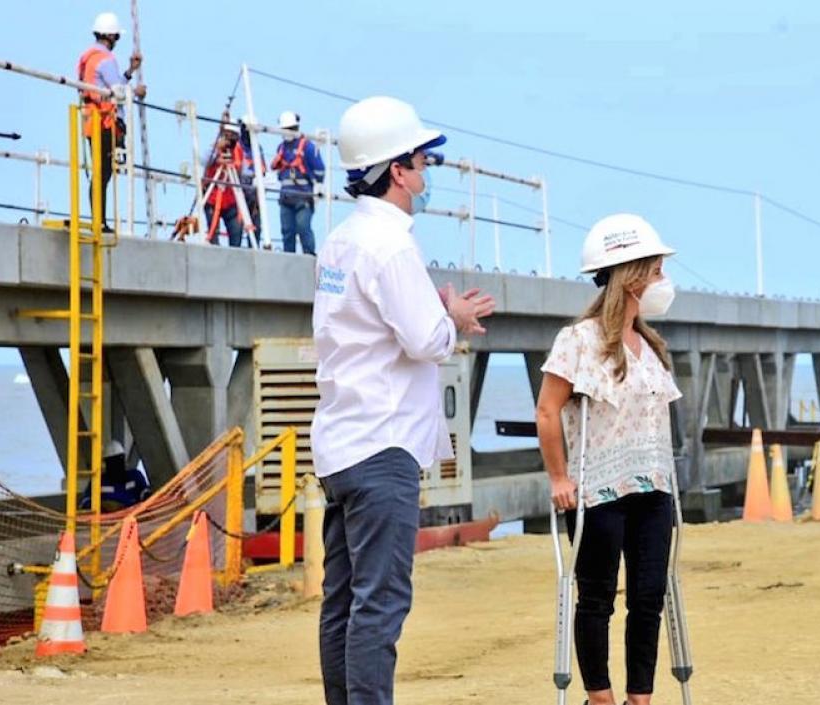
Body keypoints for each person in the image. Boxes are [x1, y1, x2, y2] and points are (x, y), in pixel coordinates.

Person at [310, 96, 495, 705]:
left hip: (340, 442)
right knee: (382, 603)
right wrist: (454, 315)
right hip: (382, 445)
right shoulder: (391, 246)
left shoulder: (340, 241)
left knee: (344, 601)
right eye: (422, 160)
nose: (427, 172)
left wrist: (434, 313)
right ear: (397, 170)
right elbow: (424, 340)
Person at [536, 213, 682, 705]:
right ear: (633, 274)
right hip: (598, 488)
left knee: (648, 598)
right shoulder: (577, 340)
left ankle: (640, 697)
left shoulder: (651, 345)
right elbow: (547, 409)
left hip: (654, 490)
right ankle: (600, 698)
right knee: (597, 598)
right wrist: (558, 477)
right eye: (658, 269)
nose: (663, 280)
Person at [76, 12, 147, 227]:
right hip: (104, 122)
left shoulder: (90, 58)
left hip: (92, 121)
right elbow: (118, 92)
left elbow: (112, 86)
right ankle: (100, 222)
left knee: (101, 172)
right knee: (103, 173)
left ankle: (100, 220)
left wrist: (129, 72)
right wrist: (137, 91)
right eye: (116, 37)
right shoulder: (105, 60)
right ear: (110, 36)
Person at [271, 110, 325, 255]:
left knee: (303, 228)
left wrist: (318, 188)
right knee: (287, 231)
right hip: (286, 198)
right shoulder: (281, 149)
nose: (288, 132)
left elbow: (320, 169)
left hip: (303, 197)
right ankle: (288, 260)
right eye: (286, 129)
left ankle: (309, 257)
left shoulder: (307, 147)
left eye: (291, 129)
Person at [201, 123, 246, 247]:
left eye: (233, 136)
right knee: (212, 235)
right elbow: (203, 159)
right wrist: (216, 154)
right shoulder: (214, 148)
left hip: (231, 201)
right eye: (227, 135)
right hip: (212, 198)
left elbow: (244, 171)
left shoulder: (238, 152)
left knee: (236, 233)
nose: (230, 140)